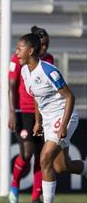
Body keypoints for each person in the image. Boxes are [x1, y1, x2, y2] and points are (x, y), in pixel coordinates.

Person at [16, 33, 87, 203]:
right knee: (62, 166)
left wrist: (63, 126)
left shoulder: (48, 70)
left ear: (31, 50)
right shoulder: (25, 71)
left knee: (45, 158)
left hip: (63, 116)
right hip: (48, 120)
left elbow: (70, 97)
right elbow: (36, 96)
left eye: (20, 49)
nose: (16, 53)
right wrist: (38, 121)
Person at [8, 26, 54, 203]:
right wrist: (12, 112)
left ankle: (36, 197)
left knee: (42, 155)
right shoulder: (18, 59)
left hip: (43, 112)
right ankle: (15, 183)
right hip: (23, 111)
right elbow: (12, 86)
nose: (45, 49)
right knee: (26, 154)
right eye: (42, 45)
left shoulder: (49, 59)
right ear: (34, 46)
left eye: (47, 45)